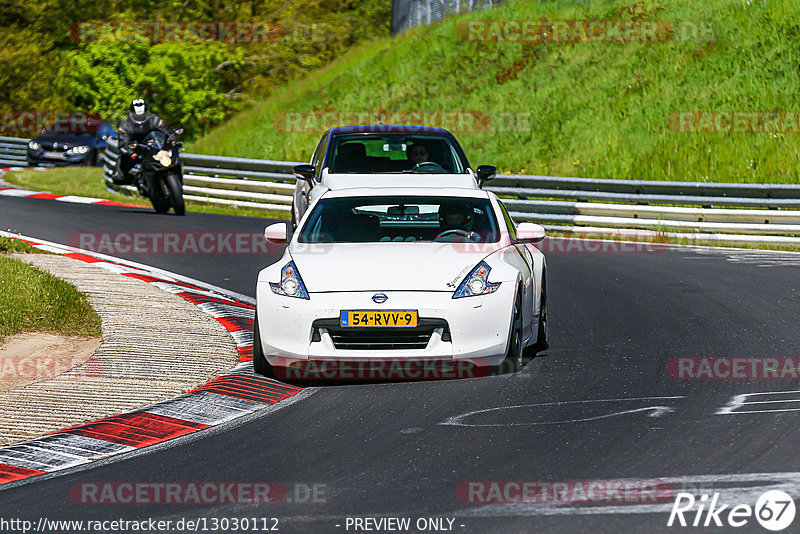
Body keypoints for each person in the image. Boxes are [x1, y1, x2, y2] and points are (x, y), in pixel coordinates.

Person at [111, 98, 172, 187]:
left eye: (142, 115)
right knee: (118, 177)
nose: (140, 118)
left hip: (154, 149)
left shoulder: (154, 120)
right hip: (135, 152)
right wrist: (131, 153)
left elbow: (166, 132)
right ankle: (139, 182)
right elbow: (123, 143)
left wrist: (172, 141)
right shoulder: (125, 125)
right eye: (137, 116)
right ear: (132, 114)